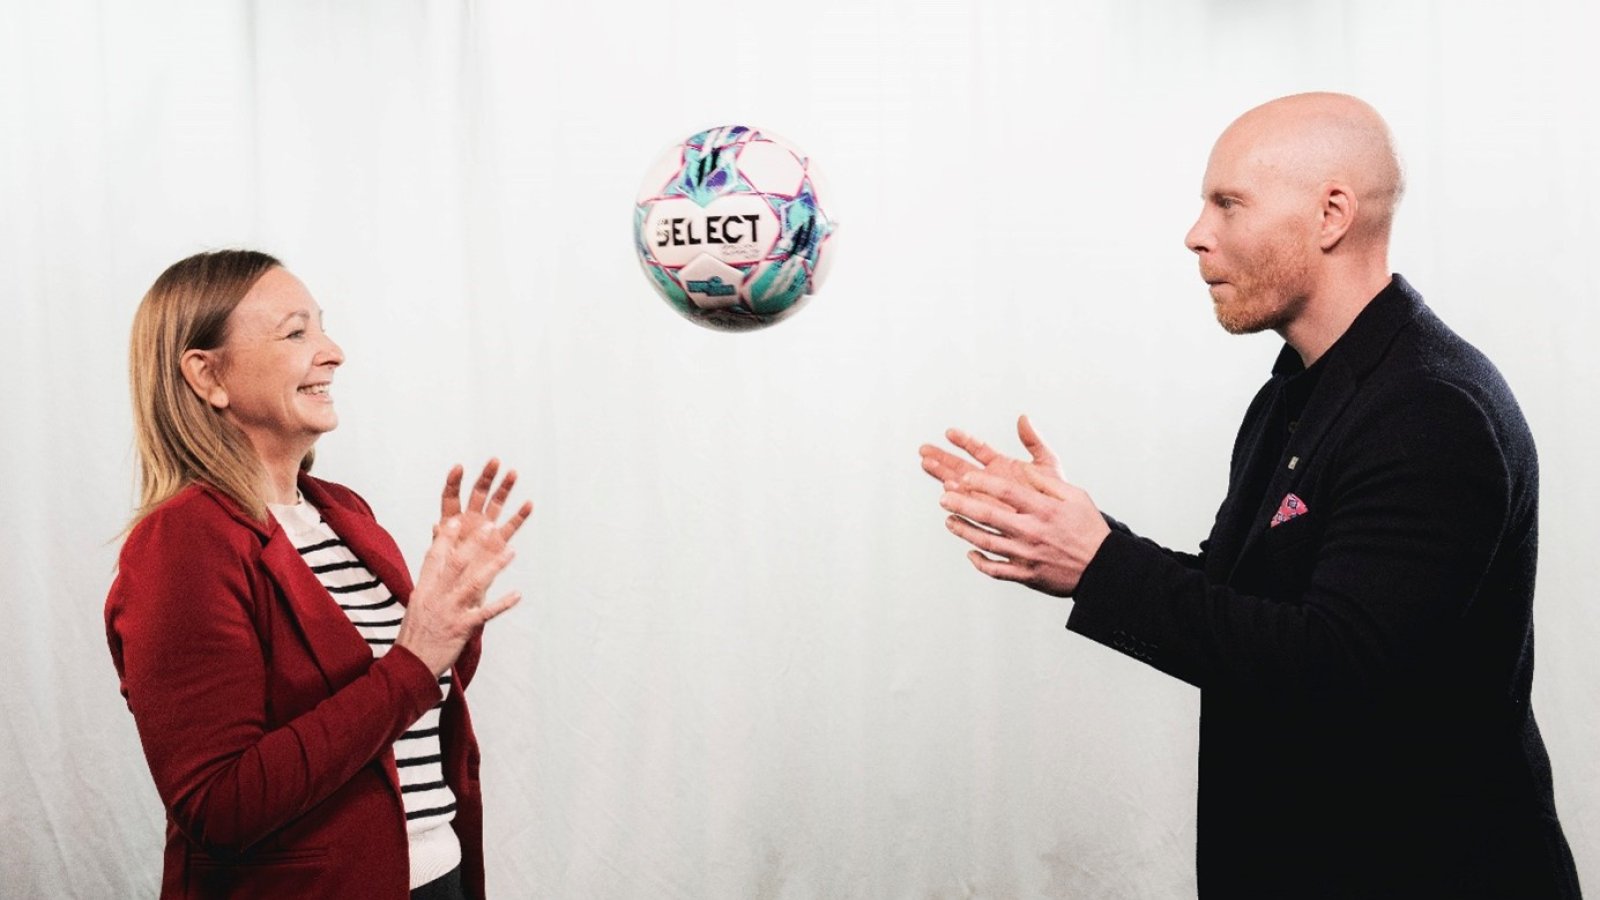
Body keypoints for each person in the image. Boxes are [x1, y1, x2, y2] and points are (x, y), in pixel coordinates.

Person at [921, 93, 1582, 897]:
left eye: (1228, 203)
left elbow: (1338, 668)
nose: (1196, 233)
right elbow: (1245, 598)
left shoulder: (1432, 410)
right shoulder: (1292, 397)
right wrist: (1077, 537)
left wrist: (1101, 565)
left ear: (1330, 214)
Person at [105, 250, 531, 899]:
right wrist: (414, 660)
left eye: (322, 327)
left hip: (437, 876)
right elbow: (220, 806)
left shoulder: (343, 512)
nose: (333, 352)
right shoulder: (182, 542)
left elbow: (408, 707)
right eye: (296, 332)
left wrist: (451, 617)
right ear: (207, 375)